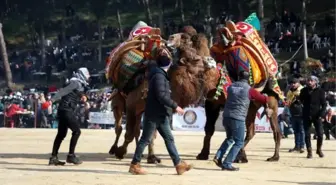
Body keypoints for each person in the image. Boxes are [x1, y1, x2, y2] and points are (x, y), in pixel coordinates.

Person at [128, 56, 192, 175]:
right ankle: (134, 165)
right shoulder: (159, 76)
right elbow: (161, 96)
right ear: (169, 65)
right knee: (145, 140)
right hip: (154, 114)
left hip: (161, 114)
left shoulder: (160, 75)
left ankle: (178, 164)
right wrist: (175, 106)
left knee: (169, 139)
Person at [213, 71, 271, 171]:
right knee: (239, 142)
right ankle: (227, 163)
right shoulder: (249, 90)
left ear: (239, 77)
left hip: (226, 116)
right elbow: (262, 99)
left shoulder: (231, 87)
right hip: (238, 117)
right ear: (248, 79)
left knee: (229, 138)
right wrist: (265, 96)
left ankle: (218, 156)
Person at [46, 67, 91, 166]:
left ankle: (53, 157)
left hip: (62, 110)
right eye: (86, 75)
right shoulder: (75, 83)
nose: (87, 78)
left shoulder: (74, 82)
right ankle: (71, 156)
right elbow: (63, 91)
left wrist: (81, 96)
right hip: (67, 110)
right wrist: (52, 100)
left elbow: (73, 92)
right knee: (77, 131)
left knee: (61, 135)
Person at [299, 75, 327, 158]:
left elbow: (324, 104)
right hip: (306, 115)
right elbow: (301, 101)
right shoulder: (303, 90)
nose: (309, 82)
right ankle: (309, 151)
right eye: (308, 80)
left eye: (311, 81)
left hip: (317, 115)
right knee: (307, 134)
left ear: (315, 82)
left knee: (320, 134)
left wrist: (321, 114)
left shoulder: (321, 91)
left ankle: (319, 149)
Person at [287, 78, 305, 153]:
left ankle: (302, 146)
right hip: (293, 113)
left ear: (298, 83)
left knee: (301, 131)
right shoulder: (290, 91)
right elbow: (288, 101)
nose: (293, 84)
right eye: (292, 83)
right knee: (296, 131)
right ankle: (296, 146)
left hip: (302, 113)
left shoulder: (303, 90)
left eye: (295, 83)